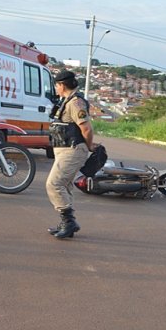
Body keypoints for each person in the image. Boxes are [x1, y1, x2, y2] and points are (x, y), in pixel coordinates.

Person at [45, 70, 96, 239]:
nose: (56, 88)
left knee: (54, 184)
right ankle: (65, 223)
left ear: (62, 85)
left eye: (57, 85)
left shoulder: (75, 103)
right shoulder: (66, 101)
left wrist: (89, 146)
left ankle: (69, 222)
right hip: (64, 150)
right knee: (64, 186)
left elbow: (86, 128)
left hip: (73, 149)